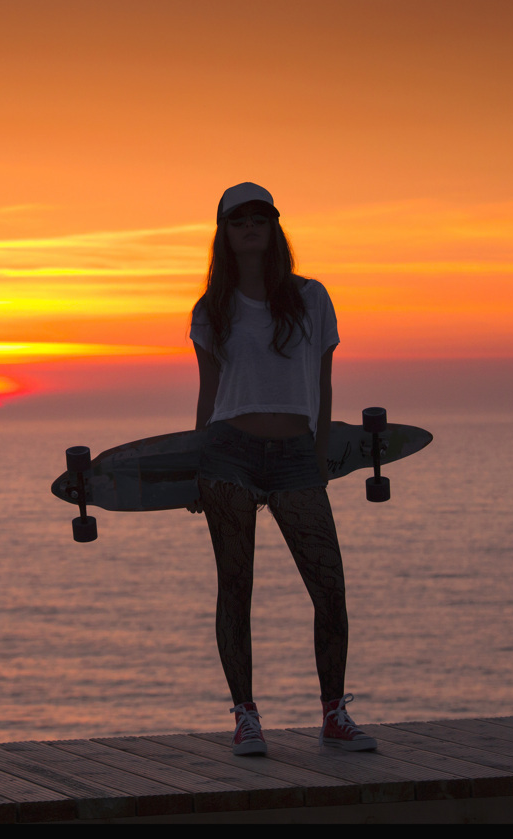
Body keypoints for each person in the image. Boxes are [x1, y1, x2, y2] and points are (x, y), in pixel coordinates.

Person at [189, 182, 376, 755]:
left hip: (295, 453)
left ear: (274, 228)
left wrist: (318, 459)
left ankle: (334, 713)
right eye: (238, 219)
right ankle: (246, 716)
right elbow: (209, 391)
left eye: (260, 217)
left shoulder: (312, 298)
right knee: (235, 589)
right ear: (223, 232)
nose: (250, 226)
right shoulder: (211, 310)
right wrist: (200, 463)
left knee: (330, 589)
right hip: (229, 452)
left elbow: (322, 384)